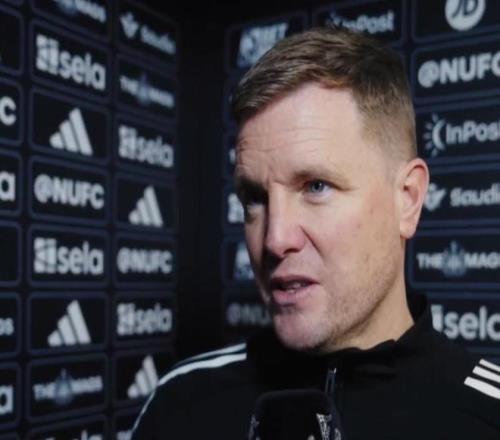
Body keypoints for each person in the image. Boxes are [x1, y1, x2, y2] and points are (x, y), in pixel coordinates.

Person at [131, 27, 500, 439]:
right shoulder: (181, 404)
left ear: (408, 199)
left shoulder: (487, 417)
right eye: (255, 198)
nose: (275, 239)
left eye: (316, 186)